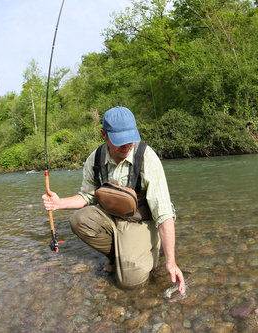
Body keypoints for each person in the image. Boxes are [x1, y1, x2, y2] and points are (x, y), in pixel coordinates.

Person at [42, 106, 185, 294]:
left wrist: (171, 262)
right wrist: (59, 204)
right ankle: (121, 253)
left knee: (129, 282)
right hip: (110, 217)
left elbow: (164, 213)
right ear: (104, 135)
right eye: (120, 141)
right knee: (78, 220)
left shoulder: (148, 158)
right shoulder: (95, 159)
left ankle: (153, 245)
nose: (127, 146)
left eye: (130, 140)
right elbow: (87, 196)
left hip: (141, 222)